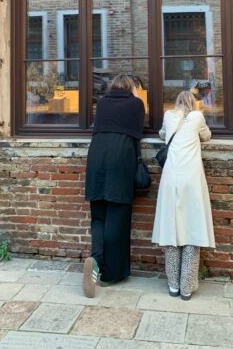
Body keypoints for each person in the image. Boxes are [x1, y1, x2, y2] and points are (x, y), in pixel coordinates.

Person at [83, 73, 145, 297]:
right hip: (120, 159)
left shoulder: (102, 103)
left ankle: (96, 260)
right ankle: (110, 274)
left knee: (98, 216)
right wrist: (137, 96)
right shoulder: (135, 104)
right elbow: (139, 128)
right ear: (131, 87)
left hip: (96, 158)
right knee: (117, 217)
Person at [152, 90, 215, 300]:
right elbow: (206, 136)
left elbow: (162, 134)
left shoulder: (169, 115)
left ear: (177, 102)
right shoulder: (197, 116)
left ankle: (173, 284)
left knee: (171, 230)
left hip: (171, 177)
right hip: (192, 179)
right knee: (193, 229)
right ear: (193, 103)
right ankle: (187, 287)